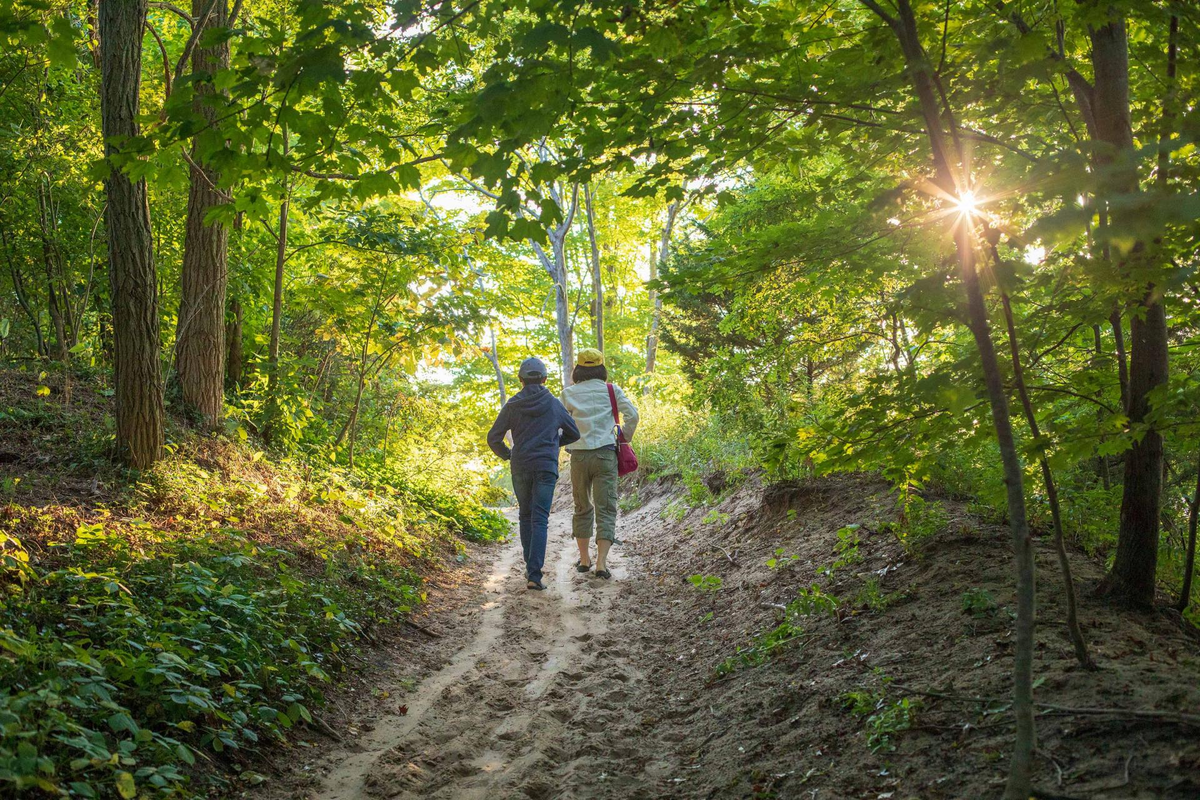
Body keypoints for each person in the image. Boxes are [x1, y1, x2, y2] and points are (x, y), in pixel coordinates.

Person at [487, 357, 580, 590]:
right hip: (546, 466)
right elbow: (574, 433)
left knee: (525, 516)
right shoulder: (553, 403)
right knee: (539, 518)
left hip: (521, 465)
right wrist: (553, 443)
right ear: (545, 379)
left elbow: (493, 438)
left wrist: (508, 454)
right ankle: (534, 575)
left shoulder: (512, 405)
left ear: (520, 380)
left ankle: (531, 569)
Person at [561, 349, 639, 580]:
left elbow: (558, 423)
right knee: (606, 508)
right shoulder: (611, 390)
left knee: (582, 506)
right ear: (601, 368)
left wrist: (566, 440)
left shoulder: (568, 394)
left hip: (579, 456)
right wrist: (624, 436)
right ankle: (601, 563)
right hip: (606, 455)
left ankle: (584, 560)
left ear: (578, 369)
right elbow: (632, 415)